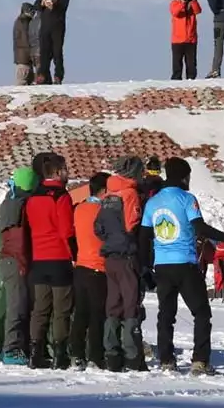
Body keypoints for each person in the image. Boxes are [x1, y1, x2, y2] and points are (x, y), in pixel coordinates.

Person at [141, 157, 224, 375]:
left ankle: (167, 360)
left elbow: (144, 237)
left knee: (165, 315)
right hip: (185, 265)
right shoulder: (187, 199)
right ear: (183, 177)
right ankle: (200, 361)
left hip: (162, 266)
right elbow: (201, 229)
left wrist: (145, 266)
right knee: (201, 312)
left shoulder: (152, 202)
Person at [94, 156, 147, 372]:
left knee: (112, 304)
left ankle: (111, 353)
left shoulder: (108, 195)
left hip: (110, 257)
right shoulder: (130, 193)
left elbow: (98, 228)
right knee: (130, 304)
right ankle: (132, 355)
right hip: (126, 256)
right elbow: (132, 223)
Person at [24, 154, 76, 369]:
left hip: (38, 258)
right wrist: (76, 254)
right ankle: (59, 354)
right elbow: (66, 230)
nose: (67, 173)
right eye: (65, 169)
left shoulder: (33, 197)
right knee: (61, 309)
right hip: (59, 258)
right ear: (56, 172)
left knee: (40, 309)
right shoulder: (61, 196)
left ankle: (35, 352)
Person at [0, 166, 38, 365]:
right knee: (17, 306)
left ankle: (20, 347)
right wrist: (22, 262)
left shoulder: (11, 201)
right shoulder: (18, 206)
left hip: (10, 260)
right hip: (15, 261)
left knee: (21, 304)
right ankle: (11, 350)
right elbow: (16, 240)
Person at [70, 172, 110, 371]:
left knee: (80, 314)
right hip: (99, 267)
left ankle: (76, 355)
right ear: (104, 191)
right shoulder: (104, 211)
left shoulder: (79, 209)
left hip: (81, 266)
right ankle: (95, 356)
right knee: (97, 315)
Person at [33, 0, 70, 84]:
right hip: (45, 27)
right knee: (44, 52)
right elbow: (36, 5)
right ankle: (42, 75)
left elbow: (62, 5)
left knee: (57, 52)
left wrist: (53, 4)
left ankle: (58, 76)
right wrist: (43, 3)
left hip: (57, 27)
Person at [170, 0, 202, 80]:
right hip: (177, 39)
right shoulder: (174, 2)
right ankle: (176, 81)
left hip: (190, 39)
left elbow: (198, 11)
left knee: (191, 64)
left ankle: (191, 80)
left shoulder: (192, 2)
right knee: (177, 64)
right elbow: (175, 12)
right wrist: (183, 2)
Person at [13, 4, 37, 85]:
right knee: (22, 84)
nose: (34, 13)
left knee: (25, 84)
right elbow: (26, 40)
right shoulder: (24, 22)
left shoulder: (21, 21)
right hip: (24, 59)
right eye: (33, 11)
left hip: (23, 58)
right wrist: (32, 55)